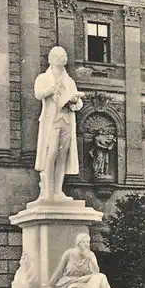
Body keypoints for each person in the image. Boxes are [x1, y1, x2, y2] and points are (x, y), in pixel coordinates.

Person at [34, 46, 85, 201]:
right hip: (52, 121)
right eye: (57, 56)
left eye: (63, 56)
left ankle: (57, 191)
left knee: (63, 156)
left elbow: (78, 103)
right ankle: (47, 191)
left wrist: (75, 100)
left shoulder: (69, 81)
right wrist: (50, 90)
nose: (61, 58)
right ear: (50, 59)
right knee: (51, 153)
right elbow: (38, 94)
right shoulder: (43, 78)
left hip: (67, 120)